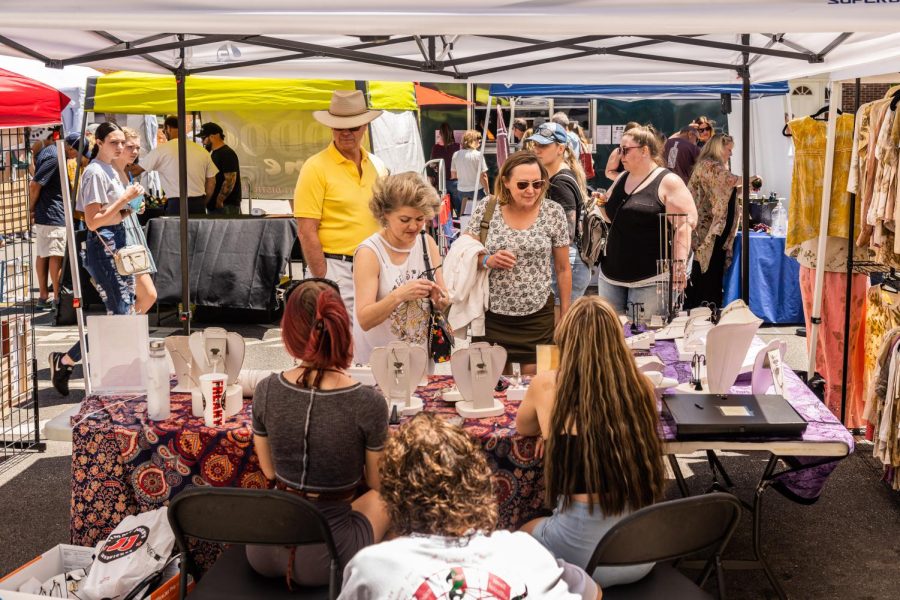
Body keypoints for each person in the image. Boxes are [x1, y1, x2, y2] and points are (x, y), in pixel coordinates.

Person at [339, 413, 599, 600]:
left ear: (395, 495)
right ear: (480, 481)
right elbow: (593, 593)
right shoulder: (526, 553)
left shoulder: (372, 567)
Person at [517, 295, 667, 589]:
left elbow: (523, 426)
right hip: (641, 552)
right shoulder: (642, 387)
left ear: (566, 342)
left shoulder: (546, 384)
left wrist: (552, 433)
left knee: (518, 533)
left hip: (581, 558)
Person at [249, 278, 390, 587]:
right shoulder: (368, 402)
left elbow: (270, 471)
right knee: (390, 497)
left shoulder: (266, 390)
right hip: (326, 558)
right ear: (342, 329)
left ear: (289, 333)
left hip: (262, 548)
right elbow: (377, 482)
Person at [49, 123, 145, 396]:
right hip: (103, 249)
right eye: (113, 142)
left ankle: (72, 362)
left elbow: (112, 214)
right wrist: (124, 199)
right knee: (121, 314)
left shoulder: (110, 171)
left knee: (122, 314)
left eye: (120, 142)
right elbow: (93, 222)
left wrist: (129, 207)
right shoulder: (94, 173)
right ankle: (68, 361)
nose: (119, 147)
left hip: (117, 247)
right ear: (99, 142)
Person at [464, 151, 571, 373]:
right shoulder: (487, 208)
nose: (531, 190)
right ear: (506, 182)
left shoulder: (553, 212)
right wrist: (488, 260)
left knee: (544, 381)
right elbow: (465, 255)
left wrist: (565, 314)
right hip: (490, 314)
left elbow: (562, 268)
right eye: (522, 184)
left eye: (537, 183)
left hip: (539, 314)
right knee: (490, 382)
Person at [293, 89, 388, 319]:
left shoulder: (377, 165)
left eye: (353, 127)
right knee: (335, 346)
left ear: (364, 127)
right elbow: (306, 230)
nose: (345, 133)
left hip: (374, 266)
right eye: (338, 127)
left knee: (373, 343)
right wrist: (323, 277)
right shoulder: (315, 167)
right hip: (336, 267)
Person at [596, 127, 697, 317]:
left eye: (625, 150)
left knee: (646, 339)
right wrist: (600, 204)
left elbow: (684, 224)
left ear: (645, 151)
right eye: (619, 149)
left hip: (651, 279)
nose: (620, 155)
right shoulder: (621, 178)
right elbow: (613, 217)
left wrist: (679, 265)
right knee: (611, 337)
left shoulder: (668, 181)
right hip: (611, 275)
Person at [353, 173, 449, 364]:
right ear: (385, 214)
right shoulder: (369, 253)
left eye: (420, 219)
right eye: (405, 220)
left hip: (419, 362)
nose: (414, 226)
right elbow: (365, 319)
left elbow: (444, 298)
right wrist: (400, 295)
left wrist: (442, 300)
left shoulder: (427, 242)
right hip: (379, 363)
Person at [529, 123, 592, 305]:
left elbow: (568, 234)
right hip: (565, 263)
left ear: (560, 148)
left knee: (563, 329)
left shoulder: (560, 183)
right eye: (535, 144)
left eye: (543, 145)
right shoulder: (556, 175)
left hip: (567, 265)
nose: (537, 149)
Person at [684, 134, 748, 310]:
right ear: (719, 148)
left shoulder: (711, 166)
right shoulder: (709, 166)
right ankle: (703, 304)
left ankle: (705, 303)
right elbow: (727, 181)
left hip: (710, 226)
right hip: (707, 227)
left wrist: (744, 187)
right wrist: (750, 179)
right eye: (729, 150)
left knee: (710, 264)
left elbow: (725, 191)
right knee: (708, 264)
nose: (730, 154)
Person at [29, 133, 89, 310]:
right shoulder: (55, 157)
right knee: (56, 254)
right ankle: (56, 298)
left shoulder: (50, 152)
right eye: (76, 153)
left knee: (43, 252)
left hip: (48, 211)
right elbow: (35, 184)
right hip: (53, 212)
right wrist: (31, 207)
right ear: (70, 147)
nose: (75, 157)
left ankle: (44, 295)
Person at [127, 115, 217, 216]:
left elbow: (134, 171)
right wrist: (203, 202)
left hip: (176, 204)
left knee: (176, 231)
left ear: (168, 128)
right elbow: (212, 182)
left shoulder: (161, 151)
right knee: (197, 232)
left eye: (164, 131)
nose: (165, 134)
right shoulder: (202, 151)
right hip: (198, 203)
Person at [116, 128, 158, 315]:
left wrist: (136, 206)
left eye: (137, 148)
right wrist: (129, 204)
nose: (134, 151)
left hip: (132, 232)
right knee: (148, 294)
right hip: (120, 234)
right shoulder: (110, 172)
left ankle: (125, 332)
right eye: (130, 146)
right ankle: (125, 331)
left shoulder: (127, 172)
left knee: (131, 296)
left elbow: (129, 205)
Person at [198, 122, 242, 215]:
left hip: (226, 206)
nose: (202, 142)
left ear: (214, 136)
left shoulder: (227, 153)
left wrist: (219, 200)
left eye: (203, 138)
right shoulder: (215, 153)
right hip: (217, 206)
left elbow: (230, 179)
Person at [450, 130, 489, 218]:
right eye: (478, 139)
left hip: (461, 190)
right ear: (472, 140)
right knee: (481, 214)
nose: (479, 141)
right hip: (477, 190)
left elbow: (454, 175)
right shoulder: (478, 155)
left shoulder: (456, 155)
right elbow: (483, 176)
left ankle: (463, 228)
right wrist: (487, 191)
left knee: (463, 214)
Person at [428, 122, 460, 214]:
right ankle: (462, 224)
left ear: (441, 134)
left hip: (442, 182)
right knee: (459, 208)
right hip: (455, 181)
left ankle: (448, 228)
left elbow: (431, 164)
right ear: (451, 134)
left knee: (445, 210)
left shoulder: (436, 148)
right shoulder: (457, 146)